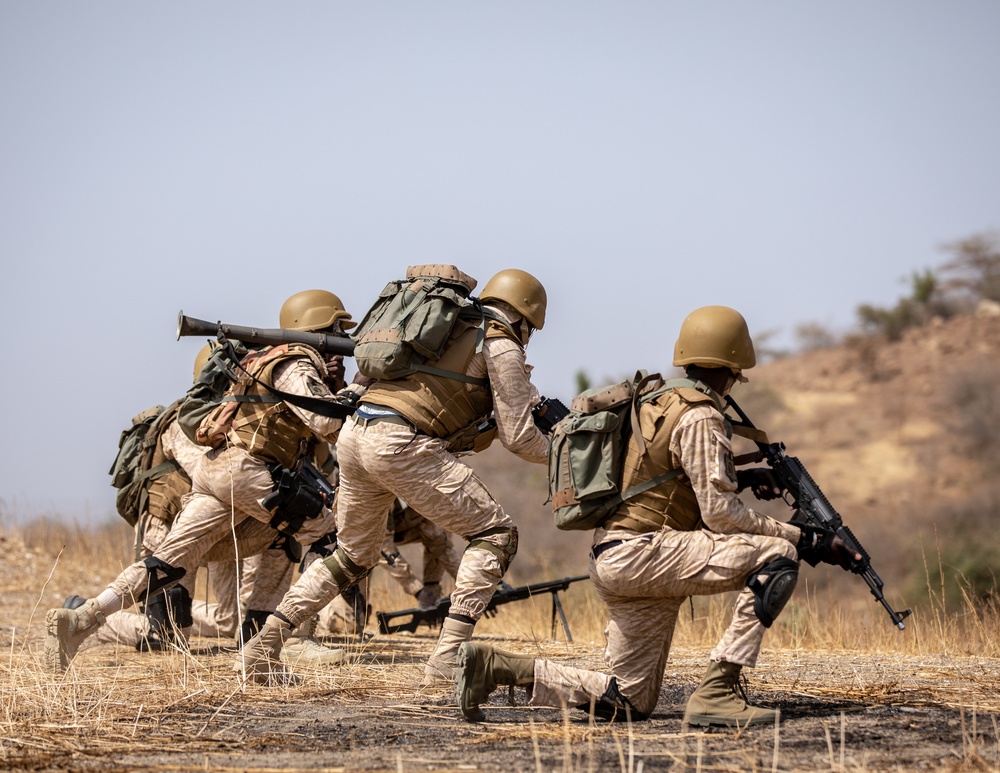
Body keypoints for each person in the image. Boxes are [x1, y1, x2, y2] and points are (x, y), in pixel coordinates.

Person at [455, 305, 859, 726]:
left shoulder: (656, 401)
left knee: (627, 701)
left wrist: (740, 476)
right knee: (776, 556)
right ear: (734, 368)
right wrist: (805, 538)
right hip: (647, 554)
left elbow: (666, 477)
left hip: (619, 556)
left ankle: (495, 668)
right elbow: (721, 514)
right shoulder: (701, 414)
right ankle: (717, 693)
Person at [238, 267, 551, 685]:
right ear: (526, 316)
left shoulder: (443, 327)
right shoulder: (499, 342)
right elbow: (518, 436)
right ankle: (446, 658)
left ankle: (264, 644)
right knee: (496, 535)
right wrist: (563, 453)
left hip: (355, 436)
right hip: (402, 444)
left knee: (351, 556)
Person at [45, 290, 365, 675]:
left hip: (220, 472)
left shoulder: (264, 360)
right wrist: (359, 387)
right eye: (336, 331)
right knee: (328, 539)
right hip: (251, 473)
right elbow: (329, 423)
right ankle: (285, 640)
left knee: (166, 564)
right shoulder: (296, 365)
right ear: (319, 329)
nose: (341, 343)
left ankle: (83, 620)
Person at [381, 498, 462, 610]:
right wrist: (416, 589)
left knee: (437, 529)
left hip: (395, 522)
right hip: (358, 543)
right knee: (356, 576)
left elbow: (439, 541)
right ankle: (354, 621)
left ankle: (431, 593)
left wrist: (470, 585)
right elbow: (381, 546)